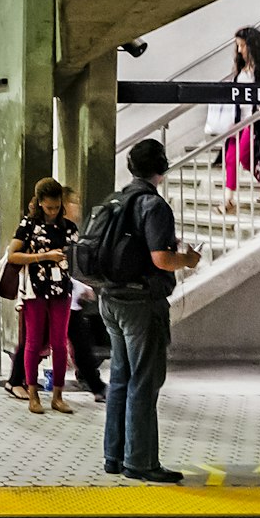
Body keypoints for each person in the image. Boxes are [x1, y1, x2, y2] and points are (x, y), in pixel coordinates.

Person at [97, 139, 202, 483]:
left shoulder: (116, 200)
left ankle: (114, 456)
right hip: (141, 306)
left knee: (120, 379)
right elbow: (161, 259)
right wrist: (188, 260)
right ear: (162, 166)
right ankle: (140, 462)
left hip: (110, 300)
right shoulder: (152, 206)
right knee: (144, 381)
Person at [5, 177, 79, 415]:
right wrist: (43, 257)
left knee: (60, 343)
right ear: (39, 203)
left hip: (62, 289)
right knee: (33, 341)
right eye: (48, 207)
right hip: (35, 289)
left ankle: (58, 395)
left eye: (57, 207)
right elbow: (12, 256)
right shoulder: (28, 225)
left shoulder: (68, 227)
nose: (53, 211)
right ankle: (33, 393)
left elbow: (77, 255)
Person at [215, 26, 260, 213]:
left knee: (244, 157)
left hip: (254, 120)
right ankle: (229, 200)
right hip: (238, 119)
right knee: (230, 157)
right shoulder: (241, 68)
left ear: (252, 46)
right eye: (238, 46)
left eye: (242, 45)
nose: (239, 50)